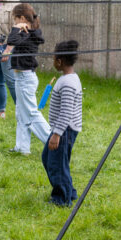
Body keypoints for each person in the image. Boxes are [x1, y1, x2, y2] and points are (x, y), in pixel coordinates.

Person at [6, 2, 51, 155]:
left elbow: (11, 40)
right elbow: (13, 41)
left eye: (15, 19)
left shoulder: (29, 34)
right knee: (21, 113)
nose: (14, 22)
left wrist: (16, 28)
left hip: (25, 78)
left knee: (31, 113)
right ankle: (22, 148)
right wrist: (18, 28)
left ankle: (53, 143)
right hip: (21, 77)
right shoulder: (27, 33)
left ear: (23, 18)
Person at [42, 40, 82, 206]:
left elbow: (66, 111)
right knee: (48, 158)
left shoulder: (68, 83)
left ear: (60, 61)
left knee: (57, 165)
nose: (53, 61)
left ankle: (61, 199)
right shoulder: (68, 78)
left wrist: (57, 134)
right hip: (62, 129)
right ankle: (69, 191)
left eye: (54, 59)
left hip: (64, 130)